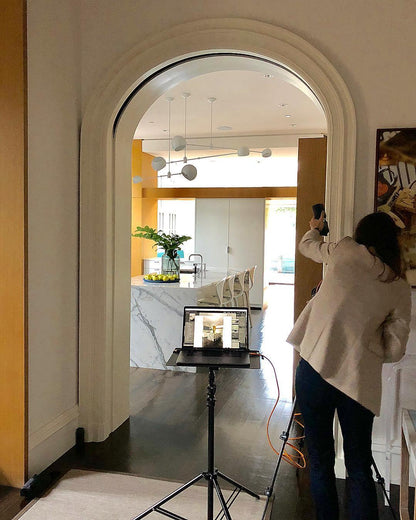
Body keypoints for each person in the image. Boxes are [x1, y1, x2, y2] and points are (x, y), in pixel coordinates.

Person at [287, 211, 411, 520]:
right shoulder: (398, 286)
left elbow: (307, 245)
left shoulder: (343, 251)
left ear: (361, 235)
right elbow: (396, 349)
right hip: (357, 379)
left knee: (319, 459)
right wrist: (365, 346)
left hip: (315, 368)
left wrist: (315, 228)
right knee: (358, 465)